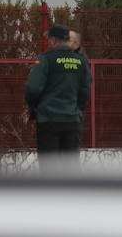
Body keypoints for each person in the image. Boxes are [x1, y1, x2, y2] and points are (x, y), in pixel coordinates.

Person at [24, 24, 90, 167]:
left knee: (50, 169)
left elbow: (32, 88)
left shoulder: (45, 59)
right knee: (70, 169)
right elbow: (85, 91)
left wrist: (35, 108)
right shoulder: (81, 61)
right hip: (72, 121)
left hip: (48, 121)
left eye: (49, 39)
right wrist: (76, 110)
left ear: (54, 40)